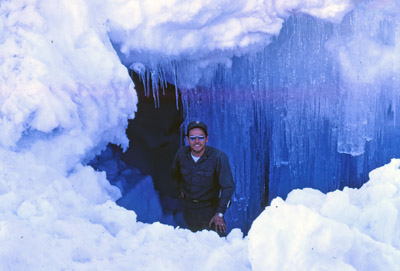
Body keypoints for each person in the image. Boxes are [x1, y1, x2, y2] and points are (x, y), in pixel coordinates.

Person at [171, 120, 235, 234]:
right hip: (188, 209)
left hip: (209, 211)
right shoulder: (181, 154)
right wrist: (179, 190)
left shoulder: (218, 157)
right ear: (187, 139)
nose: (196, 141)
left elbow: (228, 187)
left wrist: (219, 214)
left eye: (200, 137)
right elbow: (175, 173)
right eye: (192, 138)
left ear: (206, 139)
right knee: (188, 244)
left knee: (214, 246)